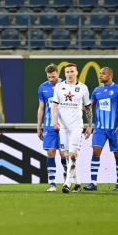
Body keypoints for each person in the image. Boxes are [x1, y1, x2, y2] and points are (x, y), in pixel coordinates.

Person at [51, 63, 93, 194]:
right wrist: (54, 120)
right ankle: (78, 183)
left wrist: (90, 125)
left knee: (73, 155)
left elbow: (88, 107)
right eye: (67, 72)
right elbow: (54, 105)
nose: (69, 74)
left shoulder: (83, 88)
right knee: (66, 155)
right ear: (65, 74)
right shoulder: (59, 87)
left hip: (76, 125)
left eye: (72, 71)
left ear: (77, 73)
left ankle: (67, 182)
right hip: (63, 126)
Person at [83, 67, 118, 191]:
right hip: (100, 128)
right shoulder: (97, 90)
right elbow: (89, 107)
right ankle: (93, 183)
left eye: (103, 73)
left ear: (110, 75)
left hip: (114, 129)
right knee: (96, 151)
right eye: (100, 73)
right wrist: (74, 106)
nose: (100, 75)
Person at [37, 63, 68, 192]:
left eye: (53, 77)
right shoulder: (43, 88)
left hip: (64, 126)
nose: (51, 79)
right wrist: (39, 126)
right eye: (49, 77)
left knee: (63, 153)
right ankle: (52, 184)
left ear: (58, 73)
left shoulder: (66, 86)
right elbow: (41, 108)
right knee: (50, 152)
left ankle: (68, 181)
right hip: (49, 126)